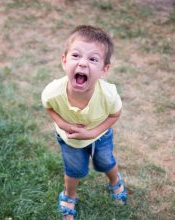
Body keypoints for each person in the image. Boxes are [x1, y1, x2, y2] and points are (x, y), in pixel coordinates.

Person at [41, 25, 127, 219]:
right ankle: (69, 195)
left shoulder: (108, 95)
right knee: (73, 170)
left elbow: (115, 114)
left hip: (101, 137)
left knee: (106, 162)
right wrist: (62, 123)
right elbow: (49, 107)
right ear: (64, 61)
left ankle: (115, 181)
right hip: (70, 140)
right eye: (76, 56)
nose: (82, 64)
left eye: (93, 59)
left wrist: (93, 133)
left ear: (104, 70)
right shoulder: (53, 92)